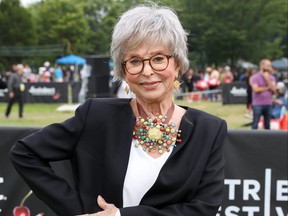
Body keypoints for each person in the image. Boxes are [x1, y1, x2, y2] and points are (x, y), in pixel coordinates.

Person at [10, 3, 227, 216]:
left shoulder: (209, 130)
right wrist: (76, 211)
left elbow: (203, 208)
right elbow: (25, 153)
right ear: (122, 71)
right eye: (135, 61)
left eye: (159, 58)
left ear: (177, 64)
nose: (148, 71)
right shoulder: (96, 116)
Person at [250, 59, 277, 129]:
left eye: (270, 66)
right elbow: (256, 89)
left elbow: (274, 90)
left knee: (267, 125)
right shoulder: (255, 77)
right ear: (261, 65)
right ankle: (252, 138)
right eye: (267, 65)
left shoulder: (271, 77)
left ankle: (267, 139)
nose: (269, 67)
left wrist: (267, 79)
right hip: (257, 104)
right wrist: (268, 87)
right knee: (255, 124)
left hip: (268, 104)